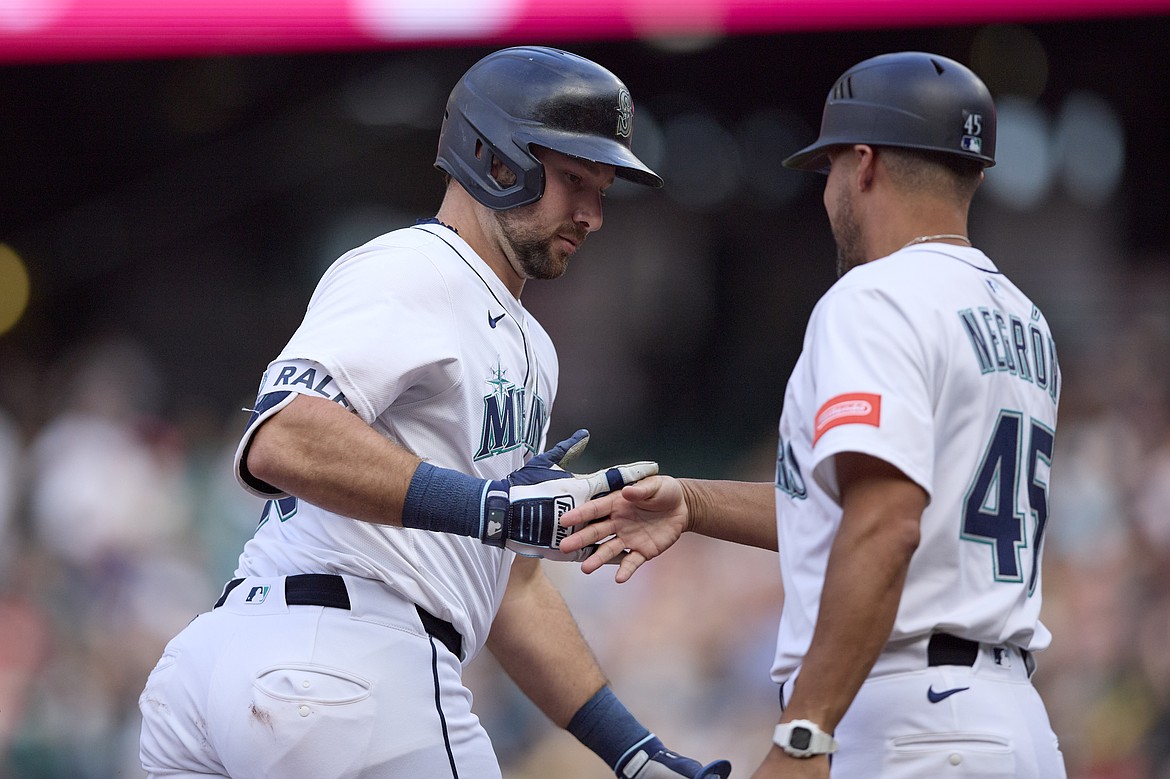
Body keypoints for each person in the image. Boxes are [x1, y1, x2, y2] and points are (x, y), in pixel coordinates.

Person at [138, 46, 731, 779]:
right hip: (342, 664)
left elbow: (507, 584)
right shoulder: (412, 266)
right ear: (493, 157)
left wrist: (631, 749)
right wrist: (494, 506)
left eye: (603, 189)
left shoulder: (527, 344)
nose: (593, 214)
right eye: (575, 180)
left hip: (242, 670)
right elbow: (281, 436)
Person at [561, 51, 1068, 778]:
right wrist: (694, 500)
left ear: (863, 164)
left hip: (909, 718)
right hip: (1009, 719)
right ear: (975, 173)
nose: (827, 192)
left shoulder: (875, 297)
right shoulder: (1023, 319)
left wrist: (806, 730)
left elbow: (886, 521)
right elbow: (877, 509)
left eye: (827, 170)